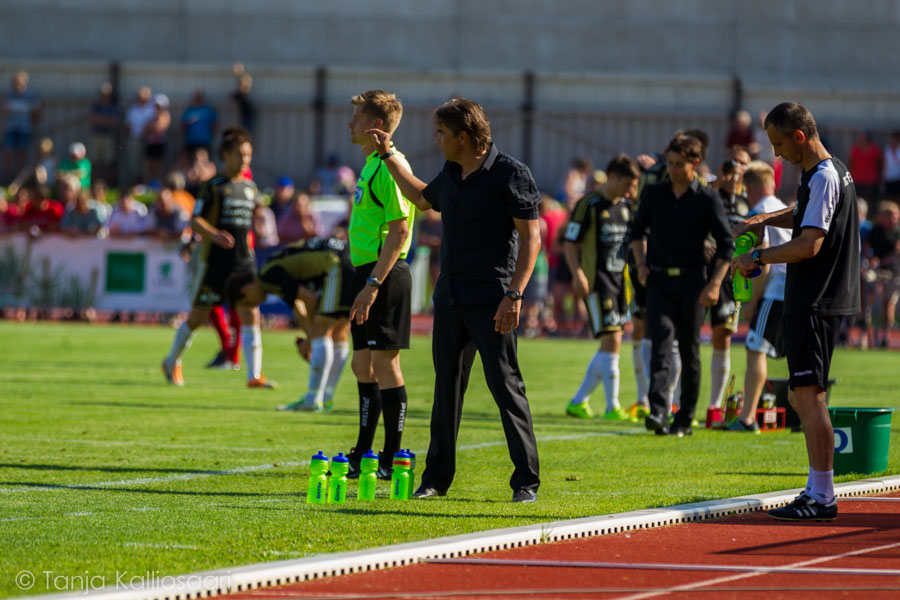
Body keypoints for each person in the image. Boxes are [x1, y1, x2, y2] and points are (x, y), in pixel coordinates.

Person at [371, 97, 542, 503]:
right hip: (450, 297)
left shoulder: (511, 174)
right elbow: (421, 198)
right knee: (446, 389)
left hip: (494, 298)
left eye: (442, 134)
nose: (437, 139)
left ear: (463, 137)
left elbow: (532, 238)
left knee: (505, 386)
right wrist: (390, 156)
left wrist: (514, 294)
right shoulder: (451, 171)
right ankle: (436, 479)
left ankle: (526, 482)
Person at [733, 102, 860, 521]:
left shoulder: (822, 175)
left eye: (779, 143)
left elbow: (809, 244)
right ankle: (816, 488)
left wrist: (760, 256)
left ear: (799, 137)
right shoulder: (828, 170)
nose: (776, 153)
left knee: (809, 397)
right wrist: (763, 219)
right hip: (817, 298)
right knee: (801, 394)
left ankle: (822, 497)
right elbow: (803, 213)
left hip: (815, 299)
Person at [631, 134, 734, 438]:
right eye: (670, 164)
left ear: (695, 164)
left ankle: (685, 419)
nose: (673, 170)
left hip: (694, 282)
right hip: (659, 280)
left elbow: (726, 245)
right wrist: (641, 265)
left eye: (679, 165)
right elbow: (636, 232)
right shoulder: (654, 193)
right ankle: (659, 412)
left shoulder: (707, 198)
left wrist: (714, 285)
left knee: (689, 350)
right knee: (661, 345)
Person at [162, 126, 275, 389]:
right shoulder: (212, 186)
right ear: (225, 155)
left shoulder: (250, 187)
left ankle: (253, 375)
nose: (245, 160)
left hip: (243, 263)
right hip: (215, 264)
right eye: (239, 155)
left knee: (251, 313)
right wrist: (215, 235)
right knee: (197, 317)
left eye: (248, 155)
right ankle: (171, 361)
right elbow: (195, 219)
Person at [344, 90, 416, 479]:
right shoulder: (371, 163)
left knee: (386, 363)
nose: (350, 123)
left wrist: (373, 283)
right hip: (366, 272)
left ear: (375, 126)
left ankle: (391, 456)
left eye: (356, 117)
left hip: (384, 274)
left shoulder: (391, 166)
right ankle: (363, 452)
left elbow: (400, 229)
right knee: (361, 363)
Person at [225, 237, 354, 412]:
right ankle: (325, 398)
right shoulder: (272, 270)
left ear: (245, 290)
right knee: (339, 332)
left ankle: (313, 400)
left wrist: (310, 341)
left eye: (249, 303)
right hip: (350, 258)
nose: (255, 306)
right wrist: (310, 339)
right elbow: (298, 307)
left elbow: (309, 299)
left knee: (323, 328)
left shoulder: (266, 276)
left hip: (337, 265)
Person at [563, 154, 640, 420]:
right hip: (597, 282)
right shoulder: (589, 204)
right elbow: (570, 243)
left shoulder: (627, 207)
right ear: (613, 177)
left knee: (611, 341)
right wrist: (578, 275)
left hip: (620, 282)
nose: (631, 190)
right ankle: (612, 406)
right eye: (628, 184)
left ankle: (578, 401)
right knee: (613, 339)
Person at [725, 161, 790, 432]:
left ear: (748, 188)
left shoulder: (758, 213)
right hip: (796, 286)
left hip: (776, 289)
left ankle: (748, 418)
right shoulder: (781, 207)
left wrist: (751, 305)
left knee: (755, 347)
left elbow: (757, 262)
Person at [707, 147, 752, 412]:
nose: (737, 168)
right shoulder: (711, 193)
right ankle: (676, 402)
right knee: (684, 337)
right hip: (702, 273)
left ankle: (714, 405)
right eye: (733, 163)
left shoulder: (748, 201)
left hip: (730, 278)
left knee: (723, 335)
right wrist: (720, 183)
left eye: (743, 164)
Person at [863, 200, 900, 348]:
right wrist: (872, 259)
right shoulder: (875, 231)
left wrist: (886, 259)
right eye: (892, 216)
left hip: (893, 272)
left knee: (888, 303)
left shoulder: (897, 231)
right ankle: (866, 333)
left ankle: (885, 335)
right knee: (868, 297)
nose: (895, 219)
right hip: (877, 270)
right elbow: (866, 247)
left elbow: (897, 250)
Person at [3, 71, 41, 183]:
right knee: (8, 152)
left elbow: (37, 111)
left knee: (22, 153)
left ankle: (19, 179)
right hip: (11, 128)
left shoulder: (30, 96)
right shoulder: (10, 95)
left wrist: (32, 122)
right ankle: (7, 177)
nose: (17, 86)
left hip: (24, 128)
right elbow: (5, 110)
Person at [124, 86, 155, 185]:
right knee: (134, 164)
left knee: (146, 164)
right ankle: (135, 185)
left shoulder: (152, 109)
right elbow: (128, 125)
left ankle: (146, 185)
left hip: (148, 140)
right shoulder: (133, 109)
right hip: (135, 139)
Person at [89, 82, 118, 184]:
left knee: (108, 162)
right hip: (97, 135)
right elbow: (93, 119)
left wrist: (102, 119)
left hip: (108, 136)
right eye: (102, 94)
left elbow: (113, 121)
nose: (104, 97)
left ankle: (108, 185)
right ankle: (96, 183)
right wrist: (105, 120)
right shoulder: (96, 106)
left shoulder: (112, 107)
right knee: (96, 162)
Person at [848, 131, 883, 206]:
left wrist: (880, 178)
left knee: (870, 200)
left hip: (871, 180)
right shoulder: (855, 149)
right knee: (857, 200)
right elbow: (850, 163)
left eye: (862, 139)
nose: (860, 141)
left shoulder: (875, 149)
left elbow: (880, 164)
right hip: (857, 179)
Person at [143, 93, 171, 182]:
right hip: (150, 143)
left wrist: (152, 127)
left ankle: (158, 185)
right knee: (149, 166)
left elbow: (158, 128)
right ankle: (149, 185)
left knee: (158, 167)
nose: (157, 108)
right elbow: (145, 129)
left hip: (159, 144)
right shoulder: (152, 115)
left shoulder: (165, 116)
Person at [181, 90, 218, 155]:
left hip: (205, 141)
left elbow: (214, 125)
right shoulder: (189, 110)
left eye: (199, 97)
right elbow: (183, 125)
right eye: (196, 97)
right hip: (190, 141)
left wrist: (211, 137)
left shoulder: (208, 110)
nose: (198, 99)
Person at [883, 131, 900, 201]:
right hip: (888, 177)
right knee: (889, 197)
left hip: (897, 178)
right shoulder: (887, 150)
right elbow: (884, 163)